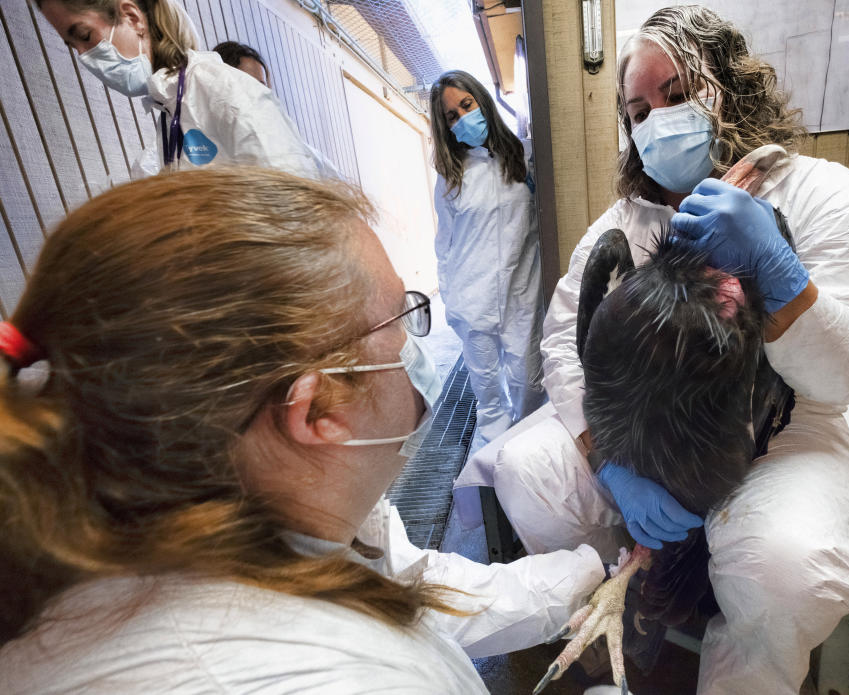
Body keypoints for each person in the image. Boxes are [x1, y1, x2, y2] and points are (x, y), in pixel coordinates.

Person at [0, 168, 607, 692]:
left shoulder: (248, 513)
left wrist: (591, 572)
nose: (415, 348)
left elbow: (409, 588)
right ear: (318, 412)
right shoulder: (328, 679)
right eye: (401, 322)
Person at [476, 6, 849, 694]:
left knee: (782, 563)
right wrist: (610, 458)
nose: (656, 120)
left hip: (786, 430)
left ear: (728, 86)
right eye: (638, 110)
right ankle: (625, 611)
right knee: (530, 469)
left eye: (675, 94)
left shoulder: (828, 197)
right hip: (647, 430)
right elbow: (565, 339)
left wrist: (781, 276)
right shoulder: (627, 223)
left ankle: (746, 670)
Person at [38, 0, 318, 178]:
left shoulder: (219, 88)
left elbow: (295, 204)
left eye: (85, 36)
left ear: (133, 18)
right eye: (73, 45)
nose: (84, 55)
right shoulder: (170, 108)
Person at [429, 70, 546, 447]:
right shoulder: (450, 178)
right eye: (452, 116)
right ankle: (497, 460)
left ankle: (525, 453)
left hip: (521, 294)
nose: (464, 118)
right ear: (445, 127)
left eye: (467, 105)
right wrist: (449, 299)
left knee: (529, 381)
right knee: (488, 395)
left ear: (482, 100)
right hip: (471, 298)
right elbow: (444, 244)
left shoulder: (523, 157)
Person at [212, 39, 342, 181]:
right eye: (248, 83)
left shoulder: (296, 149)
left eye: (261, 86)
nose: (257, 92)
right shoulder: (203, 143)